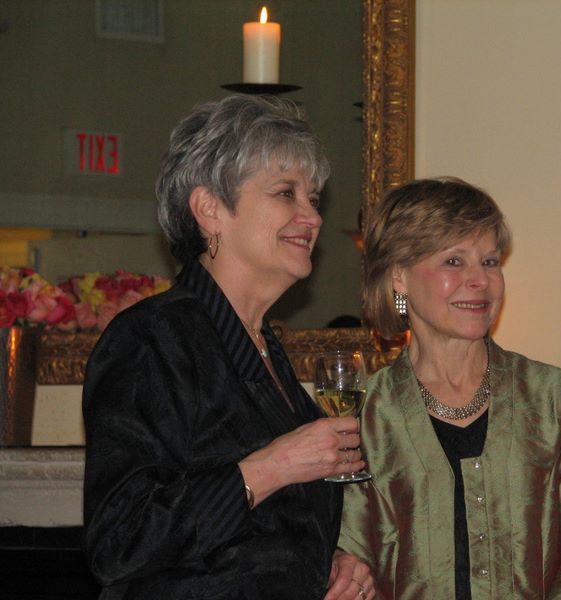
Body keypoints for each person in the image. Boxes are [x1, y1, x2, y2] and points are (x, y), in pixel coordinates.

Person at [82, 95, 375, 600]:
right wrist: (274, 465)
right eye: (286, 193)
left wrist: (329, 563)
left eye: (313, 199)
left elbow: (256, 539)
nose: (312, 217)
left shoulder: (264, 349)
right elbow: (120, 541)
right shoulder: (152, 338)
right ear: (209, 210)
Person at [337, 177, 561, 599]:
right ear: (399, 277)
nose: (480, 280)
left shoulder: (554, 398)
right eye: (454, 261)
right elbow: (353, 560)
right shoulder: (363, 416)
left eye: (489, 262)